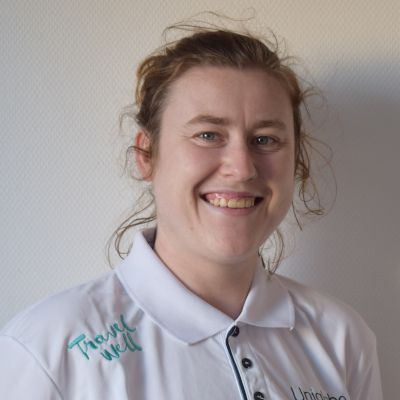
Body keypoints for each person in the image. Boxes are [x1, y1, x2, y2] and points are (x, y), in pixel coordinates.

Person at [0, 22, 382, 400]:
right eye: (208, 135)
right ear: (147, 154)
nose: (242, 168)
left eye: (265, 139)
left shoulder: (343, 338)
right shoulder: (46, 352)